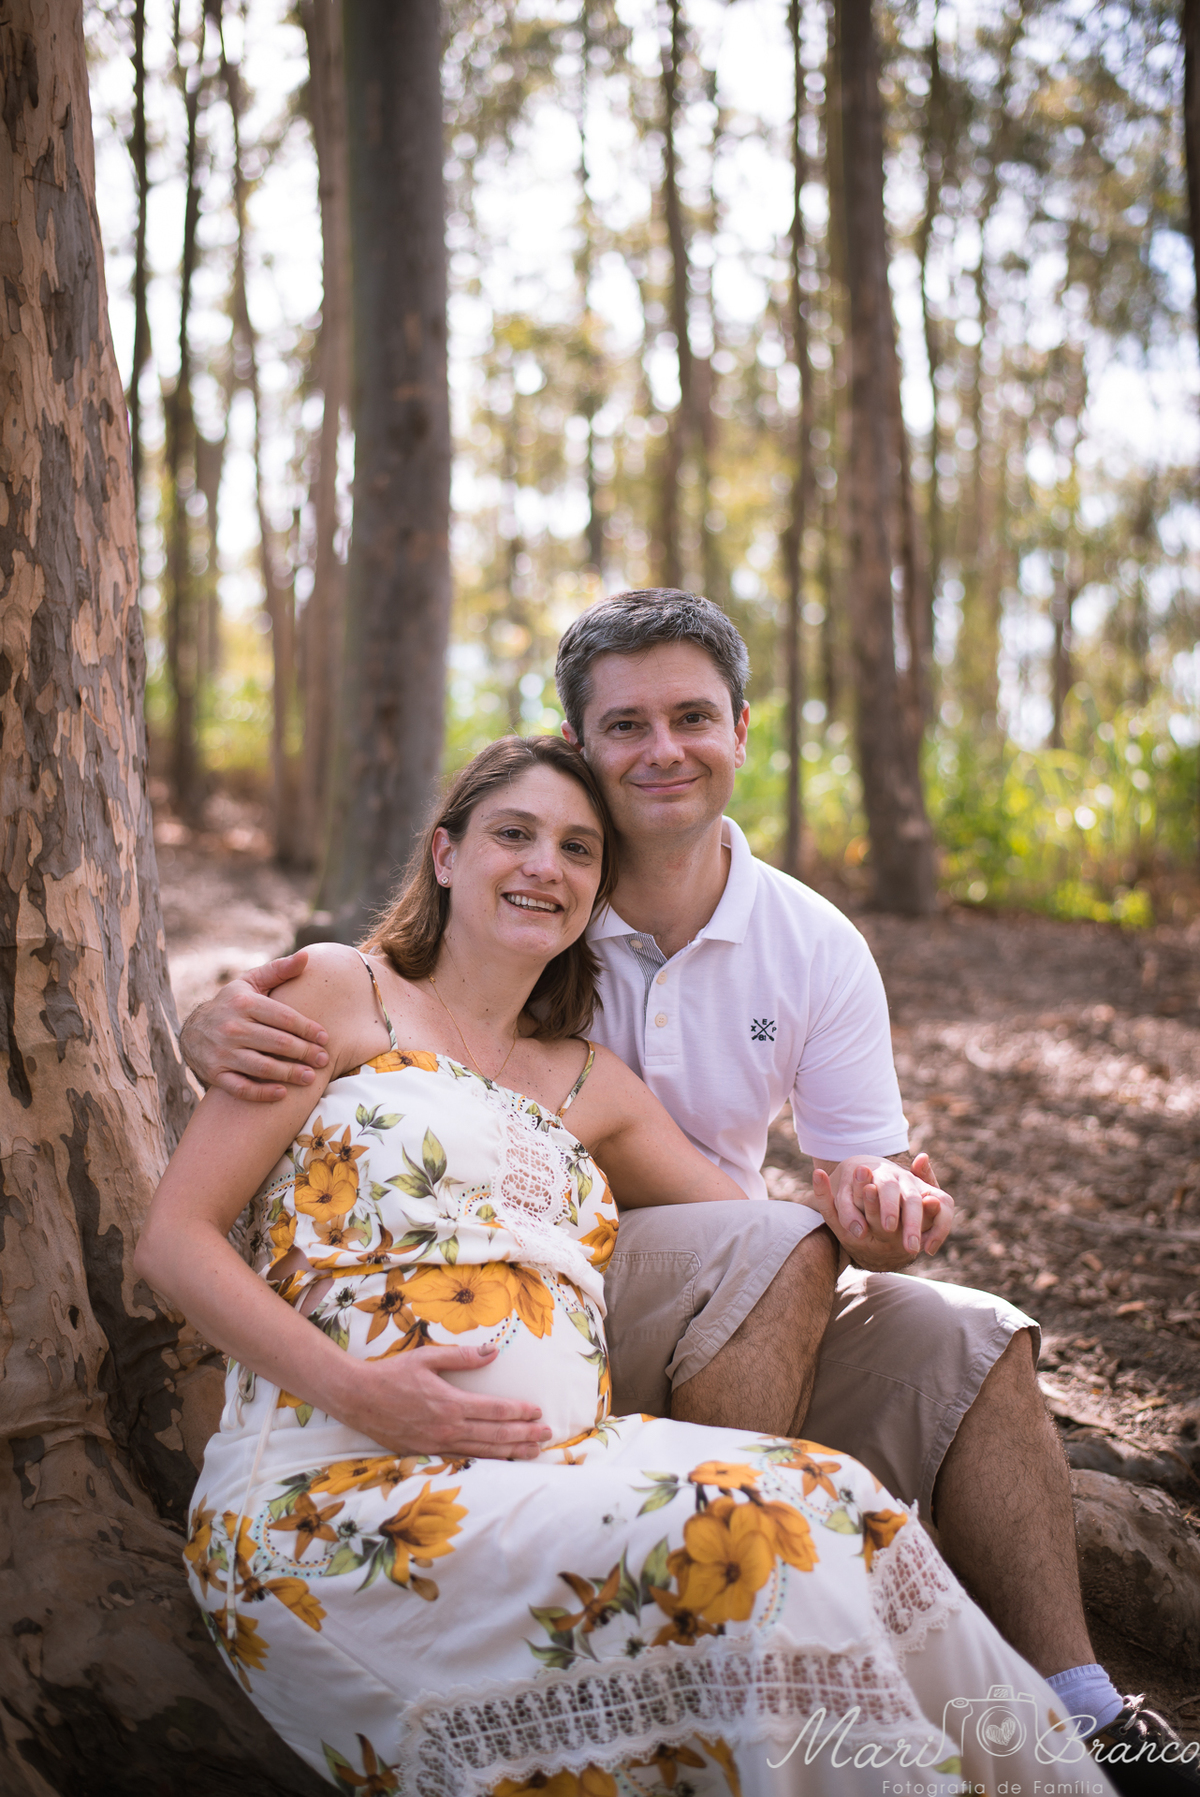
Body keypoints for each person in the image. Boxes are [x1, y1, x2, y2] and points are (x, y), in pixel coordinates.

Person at [181, 593, 1191, 1792]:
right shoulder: (444, 954)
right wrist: (209, 1021)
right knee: (767, 1308)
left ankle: (1073, 1711)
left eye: (692, 717)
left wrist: (883, 1215)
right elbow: (235, 1165)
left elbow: (808, 1192)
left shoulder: (789, 956)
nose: (661, 750)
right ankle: (715, 1595)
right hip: (498, 1349)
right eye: (625, 728)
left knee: (959, 1333)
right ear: (568, 761)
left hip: (709, 1304)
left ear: (743, 730)